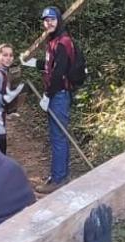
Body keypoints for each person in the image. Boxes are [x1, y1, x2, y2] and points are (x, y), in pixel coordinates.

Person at [21, 6, 77, 194]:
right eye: (46, 20)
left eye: (52, 19)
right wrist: (31, 63)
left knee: (58, 137)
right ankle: (62, 175)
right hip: (56, 94)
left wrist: (47, 95)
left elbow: (59, 73)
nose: (49, 23)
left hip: (59, 95)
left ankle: (58, 179)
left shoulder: (63, 42)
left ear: (59, 20)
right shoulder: (53, 41)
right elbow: (49, 66)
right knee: (59, 136)